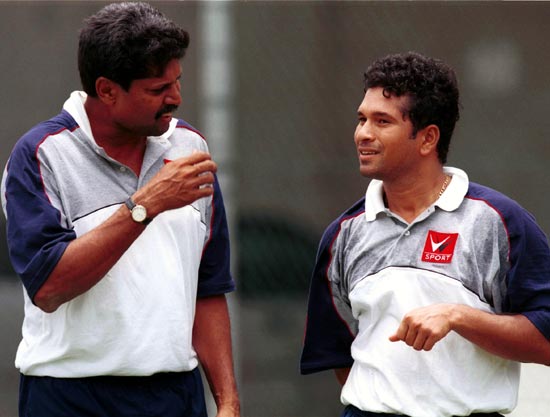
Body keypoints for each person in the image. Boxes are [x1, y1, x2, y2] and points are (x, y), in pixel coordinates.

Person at [1, 3, 240, 417]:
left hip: (176, 396)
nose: (176, 99)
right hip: (69, 396)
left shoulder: (191, 149)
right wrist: (146, 205)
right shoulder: (40, 156)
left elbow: (208, 286)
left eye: (177, 82)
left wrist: (228, 401)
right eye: (157, 90)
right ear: (107, 90)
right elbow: (49, 288)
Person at [300, 51, 550, 417]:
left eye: (382, 121)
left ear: (428, 138)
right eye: (361, 119)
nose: (362, 134)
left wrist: (459, 316)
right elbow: (342, 355)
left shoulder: (499, 222)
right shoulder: (343, 234)